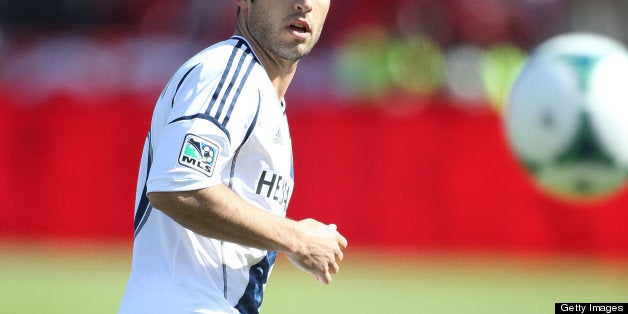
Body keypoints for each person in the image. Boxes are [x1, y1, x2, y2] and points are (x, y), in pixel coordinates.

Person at [118, 0, 347, 313]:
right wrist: (295, 237)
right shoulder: (229, 71)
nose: (305, 4)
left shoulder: (261, 92)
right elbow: (177, 185)